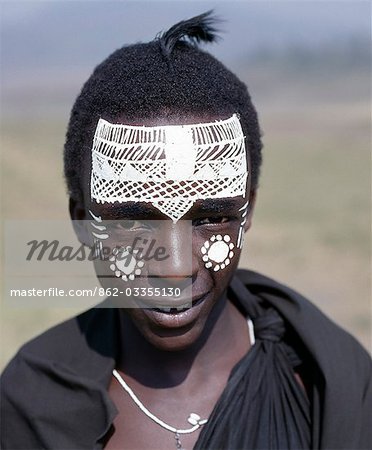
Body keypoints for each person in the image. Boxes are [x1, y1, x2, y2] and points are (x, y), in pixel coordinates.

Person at [1, 12, 371, 450]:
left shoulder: (325, 381)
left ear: (246, 210)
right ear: (82, 221)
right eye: (135, 220)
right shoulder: (33, 401)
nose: (175, 268)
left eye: (209, 217)